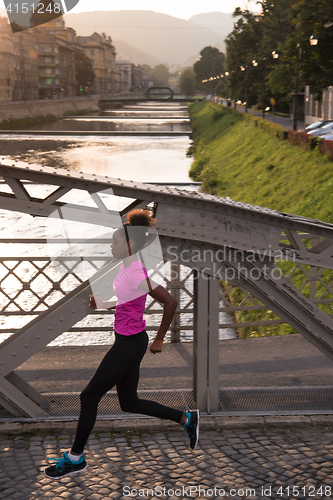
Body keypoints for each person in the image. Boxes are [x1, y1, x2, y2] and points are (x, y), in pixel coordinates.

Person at [44, 209, 199, 479]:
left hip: (129, 344)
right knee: (129, 402)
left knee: (88, 396)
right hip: (129, 340)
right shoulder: (127, 267)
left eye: (114, 242)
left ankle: (75, 458)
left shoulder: (136, 270)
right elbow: (128, 299)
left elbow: (170, 302)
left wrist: (161, 338)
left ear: (129, 244)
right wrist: (101, 303)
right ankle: (187, 419)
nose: (110, 246)